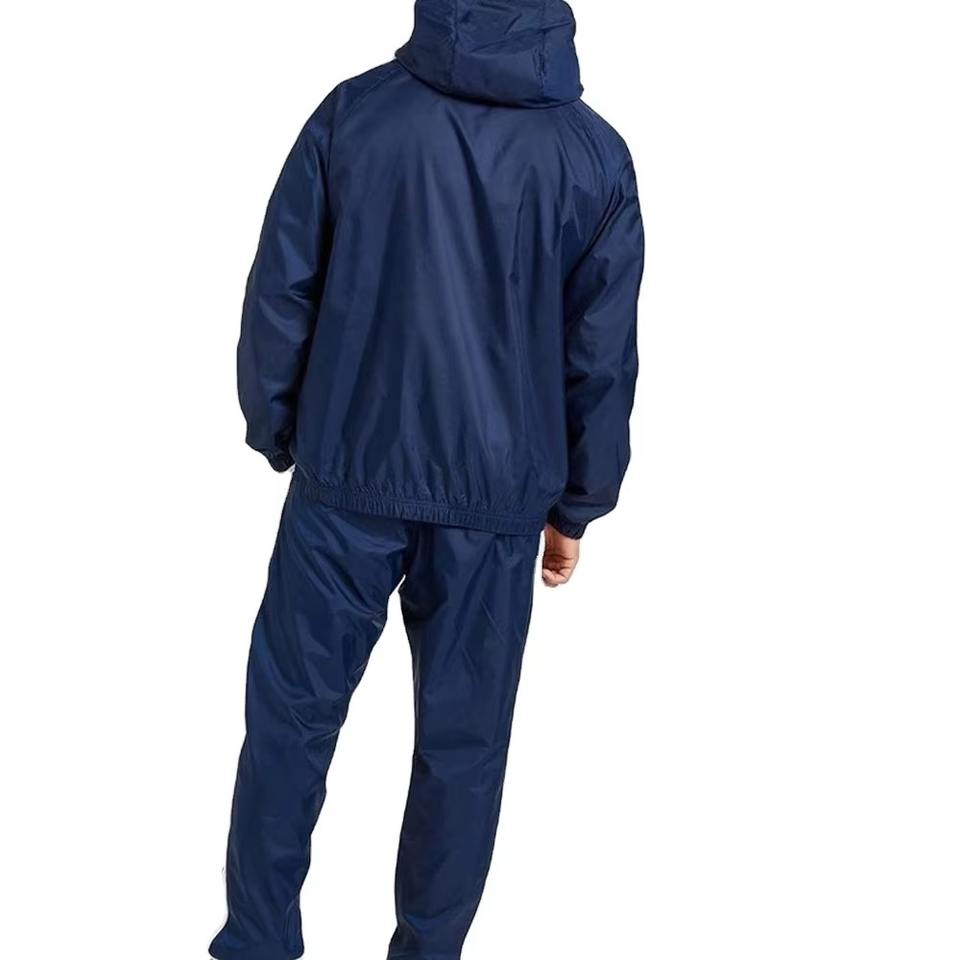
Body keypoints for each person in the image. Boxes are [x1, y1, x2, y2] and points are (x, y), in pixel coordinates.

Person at [209, 1, 644, 957]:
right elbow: (600, 355)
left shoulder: (355, 115)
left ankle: (256, 945)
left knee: (289, 726)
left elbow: (282, 286)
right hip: (498, 503)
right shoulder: (592, 156)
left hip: (346, 479)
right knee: (464, 752)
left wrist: (278, 427)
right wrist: (578, 504)